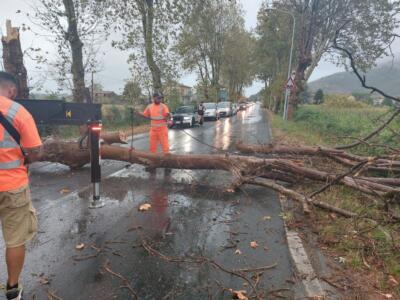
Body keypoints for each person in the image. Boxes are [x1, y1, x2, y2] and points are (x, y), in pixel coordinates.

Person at [0, 72, 42, 300]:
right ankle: (12, 289)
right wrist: (26, 158)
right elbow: (35, 150)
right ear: (12, 90)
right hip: (12, 186)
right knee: (15, 239)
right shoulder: (18, 112)